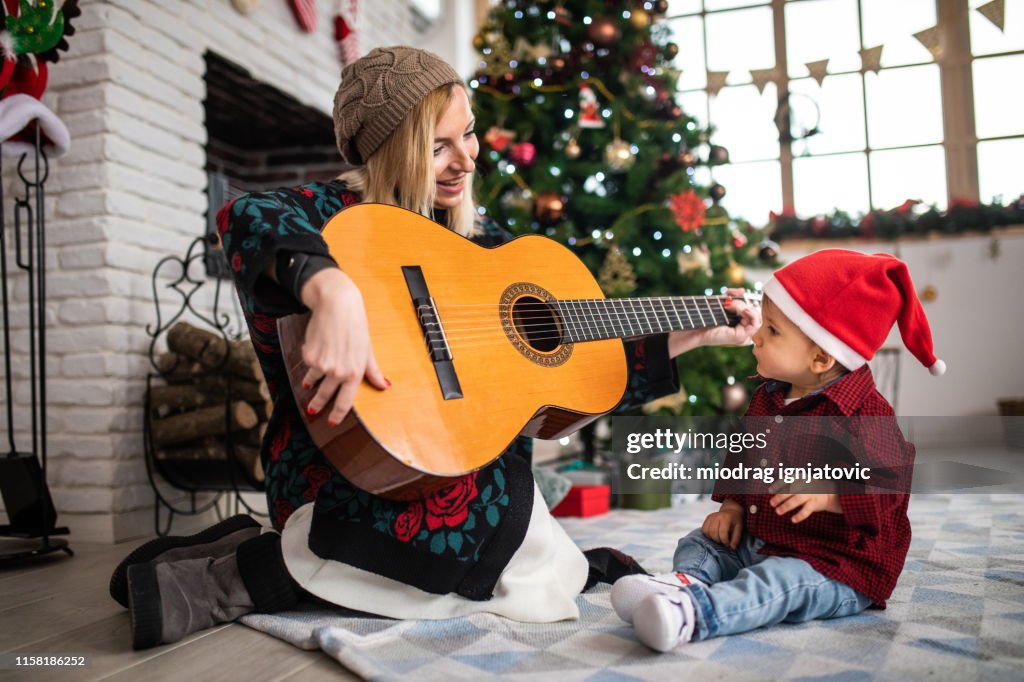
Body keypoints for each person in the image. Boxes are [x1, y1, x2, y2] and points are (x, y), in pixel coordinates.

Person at [108, 46, 758, 650]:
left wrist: (696, 327)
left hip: (451, 465)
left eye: (468, 133)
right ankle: (251, 574)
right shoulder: (334, 213)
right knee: (512, 553)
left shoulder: (483, 240)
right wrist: (333, 293)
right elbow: (246, 217)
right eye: (438, 144)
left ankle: (270, 555)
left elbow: (583, 361)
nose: (466, 159)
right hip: (343, 463)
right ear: (387, 149)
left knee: (520, 541)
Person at [610, 249, 944, 652]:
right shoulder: (769, 397)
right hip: (763, 538)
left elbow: (891, 485)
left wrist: (830, 493)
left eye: (772, 330)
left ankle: (696, 615)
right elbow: (742, 457)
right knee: (701, 542)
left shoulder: (864, 414)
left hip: (833, 563)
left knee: (777, 586)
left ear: (820, 357)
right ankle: (686, 583)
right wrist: (732, 507)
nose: (756, 336)